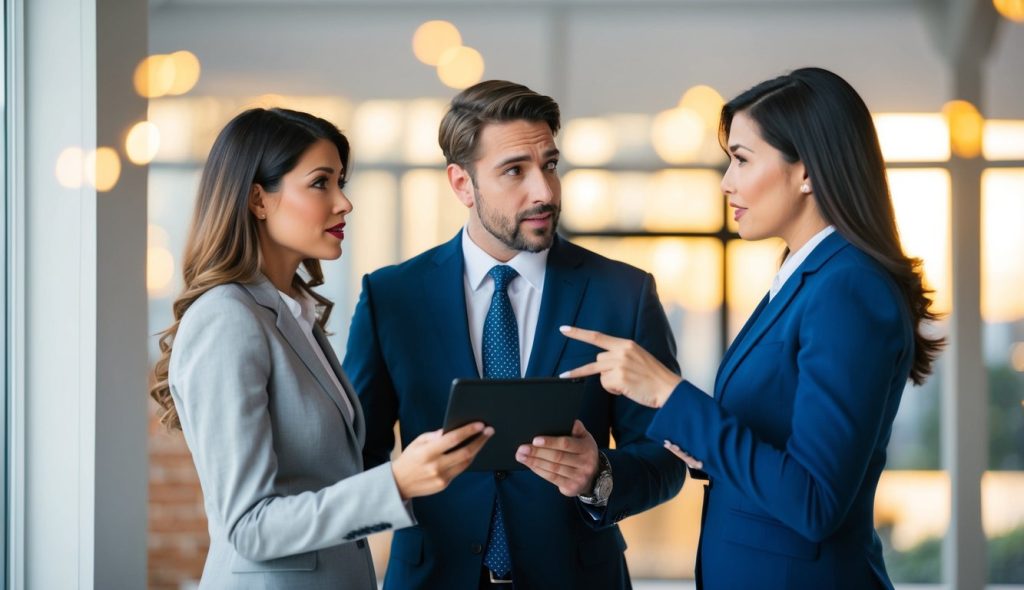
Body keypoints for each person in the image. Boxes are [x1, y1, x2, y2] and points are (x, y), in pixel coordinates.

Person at [561, 67, 945, 590]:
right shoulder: (803, 278)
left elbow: (814, 502)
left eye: (741, 159)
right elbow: (777, 450)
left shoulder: (846, 288)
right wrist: (696, 441)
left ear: (806, 171)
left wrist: (670, 395)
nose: (726, 181)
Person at [343, 80, 687, 589]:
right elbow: (357, 459)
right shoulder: (391, 297)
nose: (544, 191)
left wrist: (599, 476)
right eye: (514, 171)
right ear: (462, 184)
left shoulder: (623, 293)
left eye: (550, 164)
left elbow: (667, 456)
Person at [149, 107, 493, 590]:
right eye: (320, 183)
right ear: (257, 200)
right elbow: (249, 527)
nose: (344, 203)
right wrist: (396, 483)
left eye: (341, 182)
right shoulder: (227, 318)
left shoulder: (292, 312)